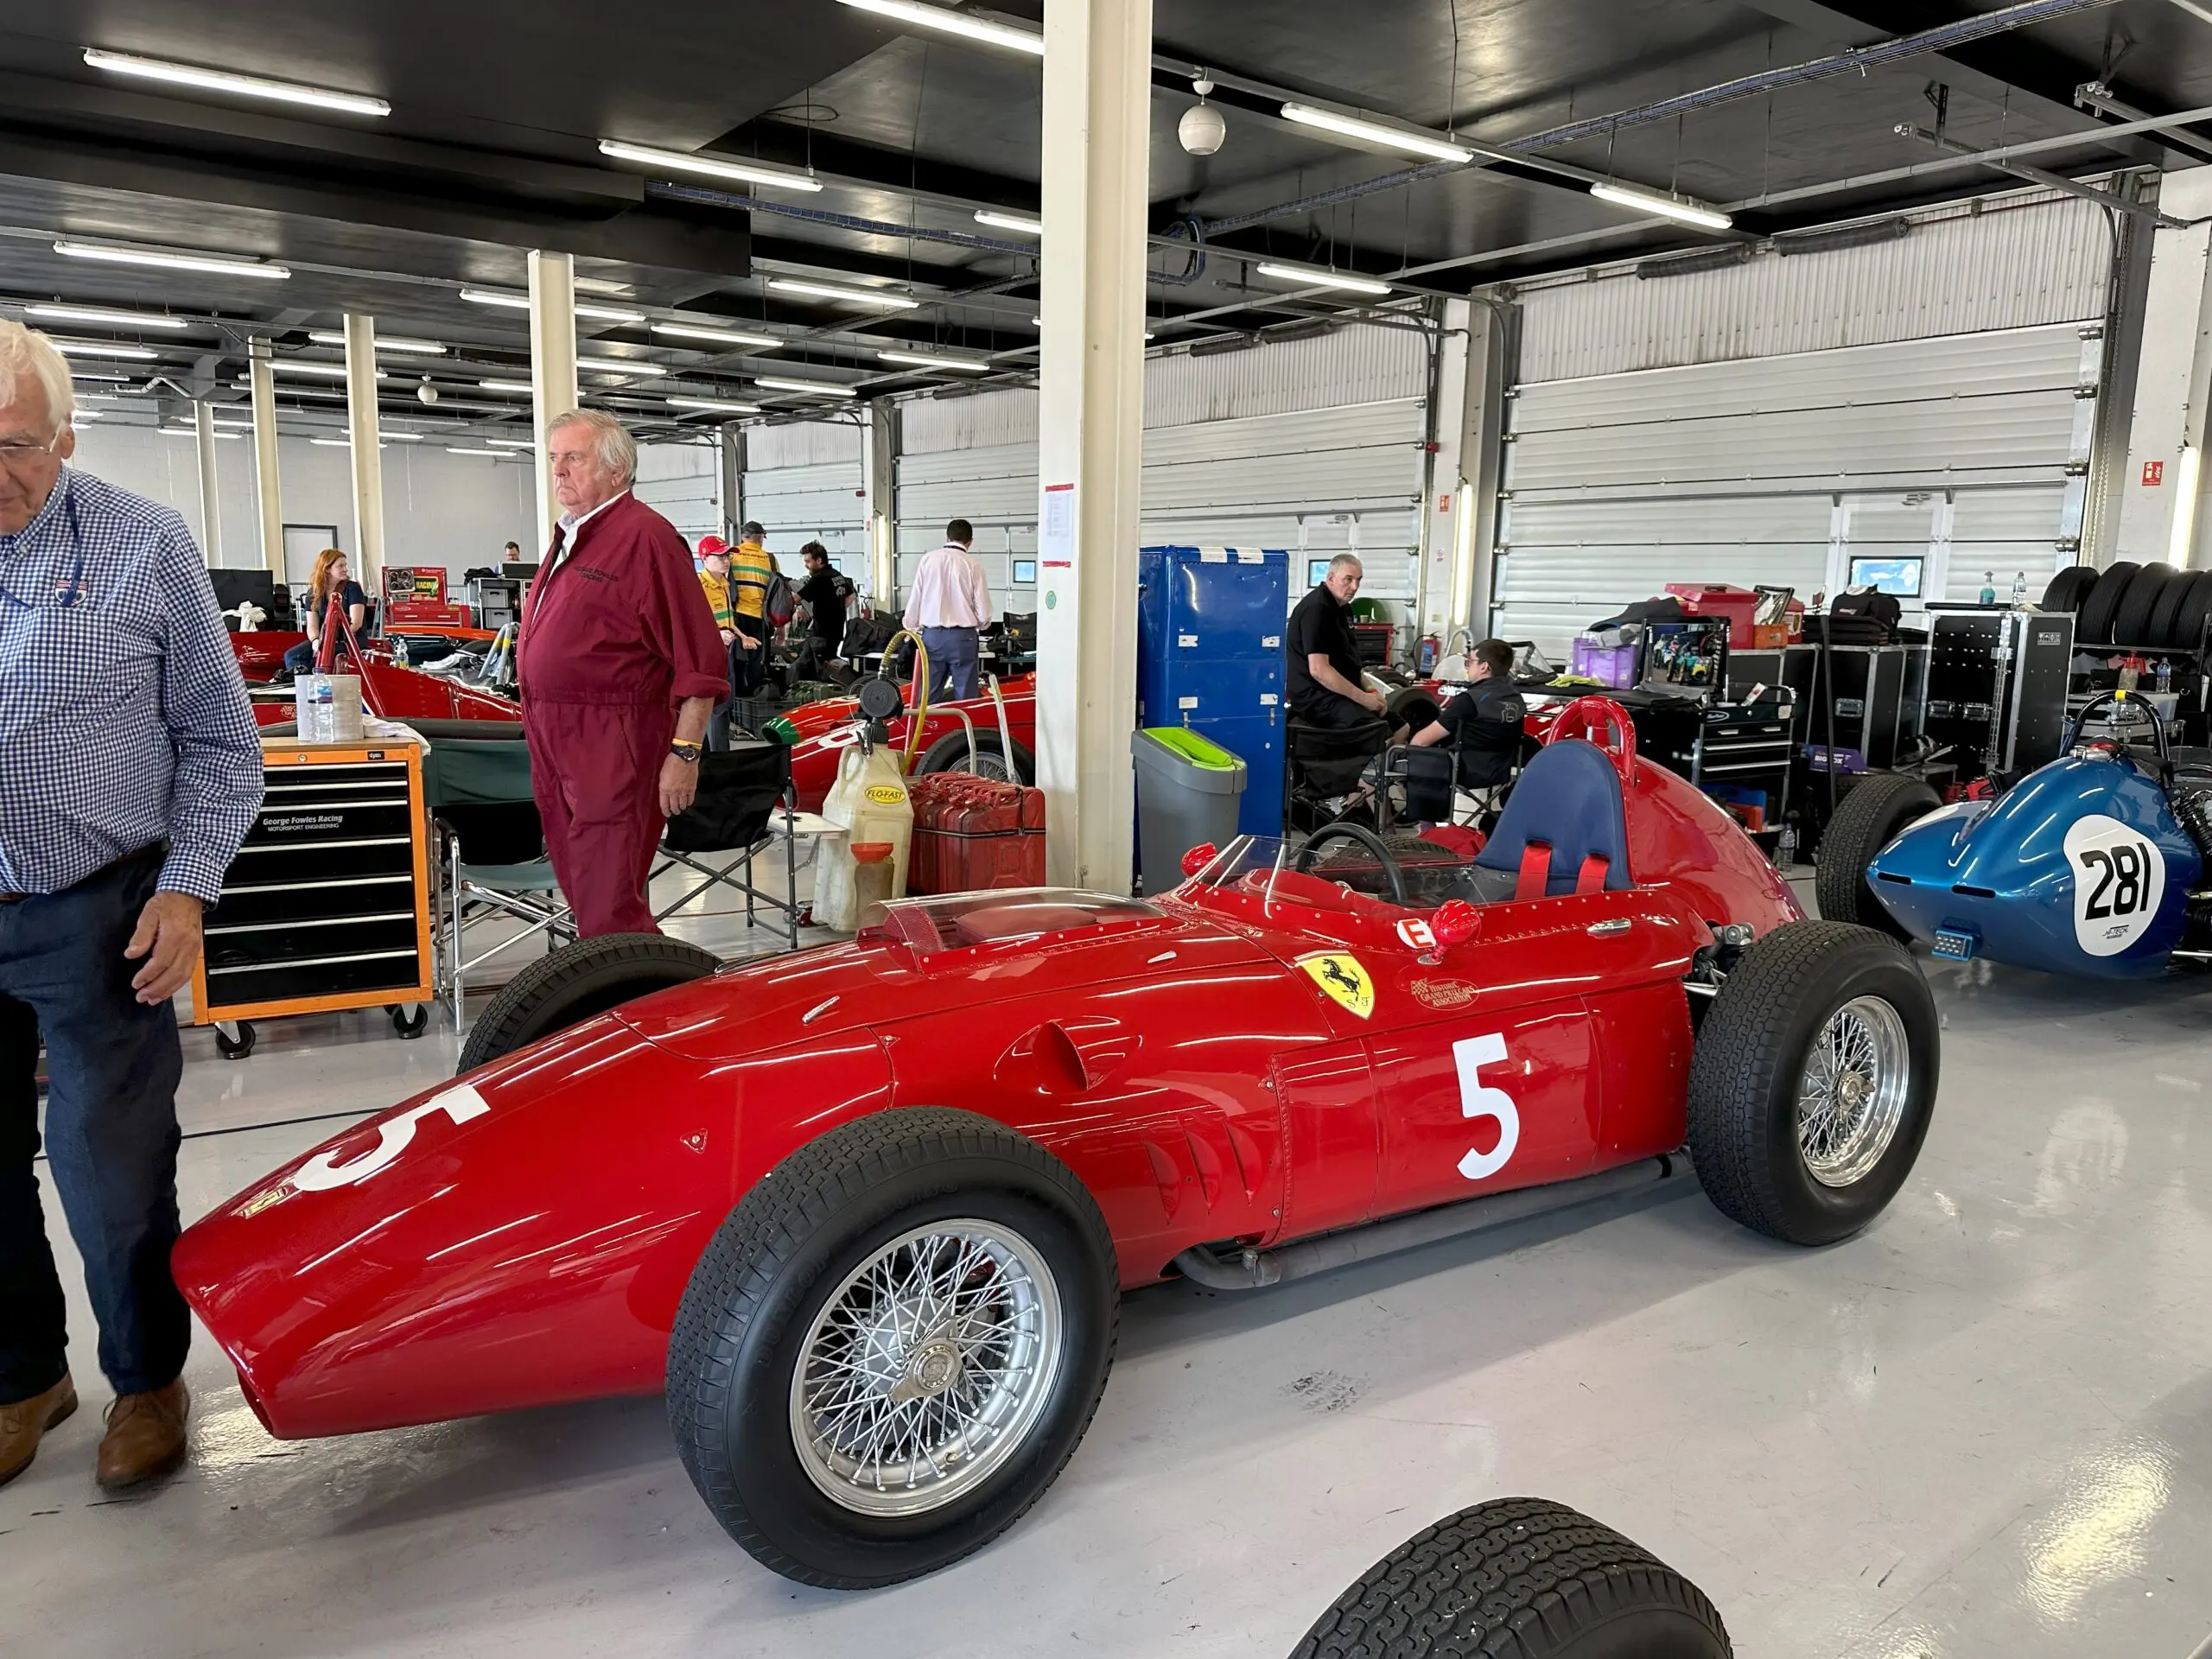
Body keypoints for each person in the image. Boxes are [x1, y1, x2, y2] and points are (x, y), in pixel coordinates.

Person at [0, 320, 264, 1493]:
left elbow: (221, 744)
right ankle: (23, 1378)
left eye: (10, 444)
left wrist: (186, 890)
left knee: (112, 1167)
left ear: (65, 436)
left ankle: (146, 1382)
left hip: (93, 909)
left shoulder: (143, 547)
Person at [516, 410, 727, 937]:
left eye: (574, 458)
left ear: (616, 470)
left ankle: (634, 1005)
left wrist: (684, 753)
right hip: (553, 734)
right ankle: (609, 991)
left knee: (609, 899)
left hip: (614, 739)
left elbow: (699, 661)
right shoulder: (571, 536)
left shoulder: (646, 538)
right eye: (554, 458)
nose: (559, 471)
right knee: (583, 886)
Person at [1287, 554, 1403, 743]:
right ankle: (1361, 772)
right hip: (1317, 698)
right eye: (1348, 580)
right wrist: (1364, 700)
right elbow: (1319, 671)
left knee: (1401, 728)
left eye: (1358, 580)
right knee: (1381, 734)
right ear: (1331, 578)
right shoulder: (1316, 610)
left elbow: (1350, 664)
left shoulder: (1344, 609)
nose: (1355, 587)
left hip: (1341, 692)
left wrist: (1372, 692)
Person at [1410, 638, 1526, 783]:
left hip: (1462, 772)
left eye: (1470, 661)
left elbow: (1421, 742)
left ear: (1484, 667)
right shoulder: (1516, 698)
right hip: (1500, 772)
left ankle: (1403, 805)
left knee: (1400, 757)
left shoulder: (1469, 700)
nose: (1467, 666)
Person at [907, 518, 990, 702]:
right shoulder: (973, 565)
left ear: (947, 537)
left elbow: (916, 598)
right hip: (963, 638)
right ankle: (962, 730)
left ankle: (928, 729)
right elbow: (983, 611)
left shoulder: (928, 560)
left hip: (932, 638)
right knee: (966, 698)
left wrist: (910, 628)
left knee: (927, 697)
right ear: (970, 541)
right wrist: (981, 625)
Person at [281, 548, 368, 674]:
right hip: (323, 640)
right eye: (340, 566)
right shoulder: (313, 593)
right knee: (292, 656)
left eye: (345, 565)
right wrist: (316, 641)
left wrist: (329, 641)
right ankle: (305, 687)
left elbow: (356, 623)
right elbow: (311, 626)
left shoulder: (352, 588)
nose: (345, 569)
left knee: (316, 662)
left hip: (349, 641)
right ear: (327, 569)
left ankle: (316, 683)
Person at [727, 522, 775, 696]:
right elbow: (776, 594)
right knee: (757, 660)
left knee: (735, 660)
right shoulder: (770, 559)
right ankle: (756, 695)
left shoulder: (731, 556)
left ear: (743, 537)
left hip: (735, 616)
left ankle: (737, 697)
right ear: (760, 538)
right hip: (759, 616)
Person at [795, 541, 849, 673]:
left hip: (821, 634)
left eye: (808, 561)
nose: (806, 565)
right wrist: (836, 608)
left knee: (814, 669)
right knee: (828, 663)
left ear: (818, 560)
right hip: (836, 632)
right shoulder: (837, 575)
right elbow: (851, 596)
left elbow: (796, 598)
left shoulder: (819, 578)